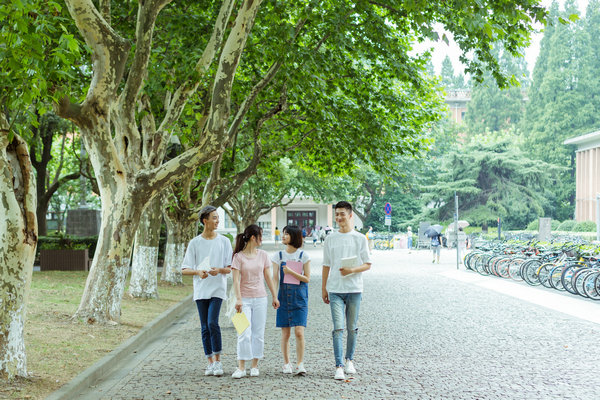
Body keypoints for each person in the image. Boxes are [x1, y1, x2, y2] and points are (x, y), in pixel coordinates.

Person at [321, 201, 371, 380]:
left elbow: (368, 264)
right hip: (335, 289)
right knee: (338, 328)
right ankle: (339, 365)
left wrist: (352, 270)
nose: (339, 217)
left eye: (342, 214)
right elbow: (326, 265)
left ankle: (350, 359)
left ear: (350, 215)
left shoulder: (360, 238)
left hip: (354, 288)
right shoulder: (330, 238)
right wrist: (324, 288)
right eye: (336, 214)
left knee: (352, 327)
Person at [181, 205, 232, 377]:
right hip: (201, 290)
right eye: (214, 218)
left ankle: (218, 361)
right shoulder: (194, 243)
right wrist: (197, 272)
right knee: (204, 327)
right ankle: (209, 362)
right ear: (205, 221)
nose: (217, 221)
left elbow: (230, 267)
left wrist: (219, 270)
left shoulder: (224, 241)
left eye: (218, 217)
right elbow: (184, 269)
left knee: (212, 323)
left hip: (218, 288)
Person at [231, 225, 280, 378]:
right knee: (243, 333)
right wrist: (238, 299)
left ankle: (254, 365)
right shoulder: (238, 257)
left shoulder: (263, 255)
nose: (262, 239)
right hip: (243, 300)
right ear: (253, 237)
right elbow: (236, 280)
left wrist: (274, 296)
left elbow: (268, 277)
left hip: (260, 298)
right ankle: (241, 367)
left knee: (258, 333)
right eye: (260, 236)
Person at [271, 225, 311, 375]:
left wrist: (291, 272)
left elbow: (307, 279)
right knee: (285, 333)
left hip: (300, 297)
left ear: (294, 236)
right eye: (283, 233)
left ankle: (300, 363)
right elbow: (275, 278)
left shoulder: (303, 256)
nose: (283, 236)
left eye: (286, 234)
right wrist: (274, 296)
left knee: (299, 332)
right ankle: (286, 363)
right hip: (283, 297)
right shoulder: (278, 256)